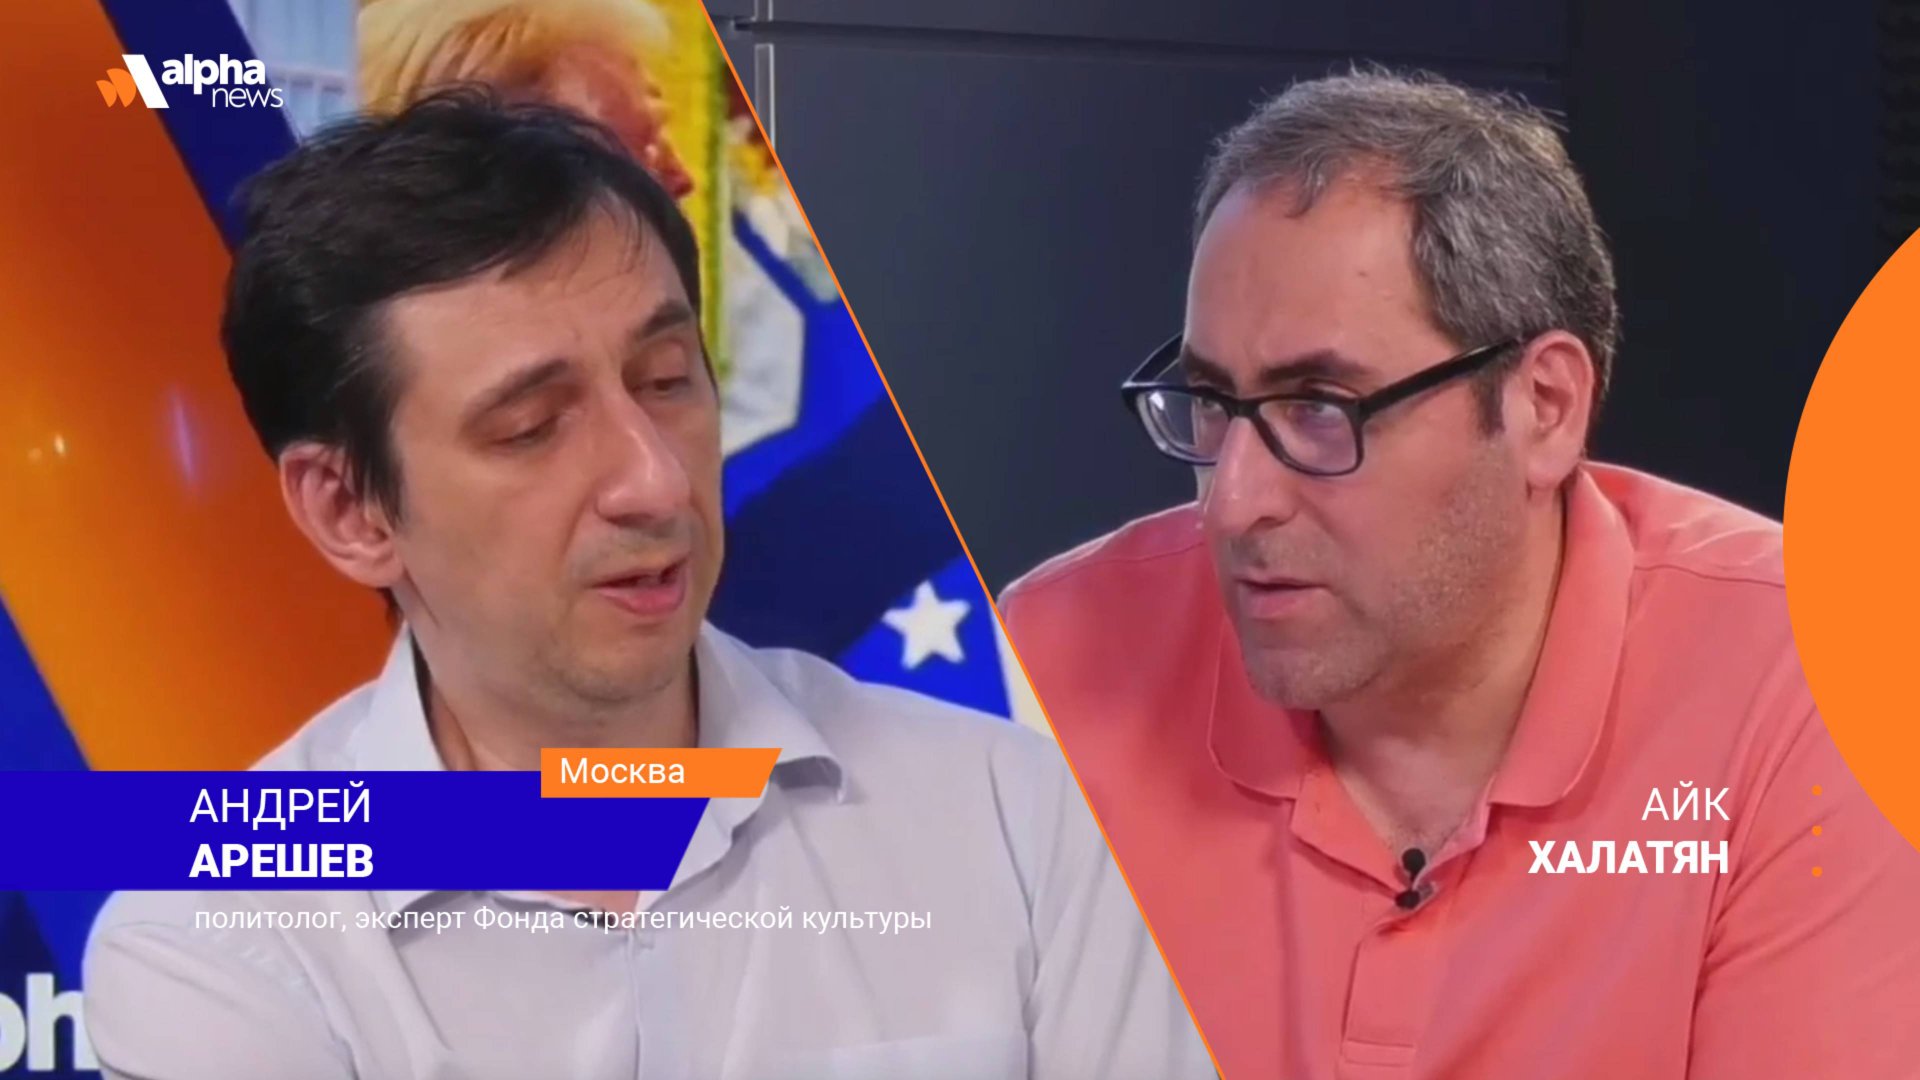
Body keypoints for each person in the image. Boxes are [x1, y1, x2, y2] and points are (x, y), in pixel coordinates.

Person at [82, 90, 1208, 1080]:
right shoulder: (218, 941)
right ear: (350, 510)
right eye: (532, 427)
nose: (655, 480)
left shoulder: (1008, 815)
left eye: (667, 380)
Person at [1000, 69, 1920, 1079]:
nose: (1231, 502)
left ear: (1545, 408)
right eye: (1213, 404)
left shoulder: (1815, 672)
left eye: (1320, 408)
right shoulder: (1051, 658)